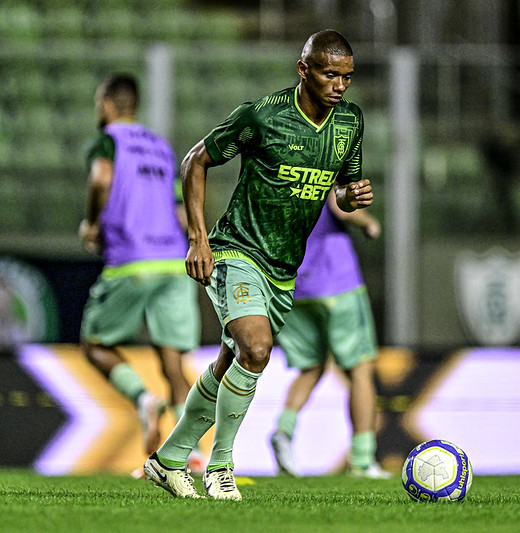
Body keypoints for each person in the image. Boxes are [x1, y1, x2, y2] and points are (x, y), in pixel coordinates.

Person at [142, 30, 374, 500]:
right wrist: (198, 238)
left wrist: (352, 197)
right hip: (236, 251)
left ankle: (167, 461)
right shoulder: (262, 116)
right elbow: (195, 161)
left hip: (284, 268)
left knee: (234, 361)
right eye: (330, 74)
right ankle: (220, 466)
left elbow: (340, 192)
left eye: (347, 77)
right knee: (257, 347)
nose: (340, 85)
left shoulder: (350, 123)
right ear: (303, 69)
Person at [78, 73, 201, 460]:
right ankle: (192, 453)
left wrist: (92, 223)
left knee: (95, 344)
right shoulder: (162, 147)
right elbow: (182, 211)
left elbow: (100, 179)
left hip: (132, 259)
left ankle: (143, 399)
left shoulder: (108, 140)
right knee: (173, 362)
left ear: (108, 104)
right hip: (173, 260)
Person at [270, 192, 390, 479]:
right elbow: (341, 205)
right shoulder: (329, 155)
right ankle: (362, 460)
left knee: (311, 367)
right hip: (337, 281)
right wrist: (368, 222)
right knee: (361, 369)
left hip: (295, 284)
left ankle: (283, 431)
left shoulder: (283, 167)